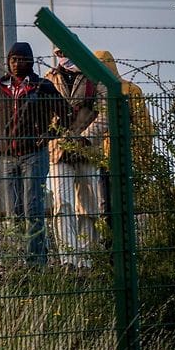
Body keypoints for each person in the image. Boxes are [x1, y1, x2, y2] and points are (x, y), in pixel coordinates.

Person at [0, 42, 70, 267]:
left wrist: (50, 134)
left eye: (22, 59)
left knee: (32, 208)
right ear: (8, 62)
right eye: (13, 60)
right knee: (14, 211)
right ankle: (19, 259)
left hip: (33, 154)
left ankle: (36, 262)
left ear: (30, 61)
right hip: (8, 156)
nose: (17, 64)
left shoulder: (41, 86)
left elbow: (67, 113)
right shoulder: (0, 87)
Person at [45, 47, 107, 270]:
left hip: (87, 149)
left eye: (65, 50)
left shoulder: (94, 76)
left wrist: (86, 138)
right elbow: (43, 112)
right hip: (59, 150)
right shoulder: (50, 78)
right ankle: (68, 259)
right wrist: (55, 135)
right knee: (63, 203)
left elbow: (106, 111)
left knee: (88, 205)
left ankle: (86, 258)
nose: (63, 55)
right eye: (59, 52)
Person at [92, 50, 155, 233]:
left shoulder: (129, 90)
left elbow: (143, 125)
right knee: (106, 206)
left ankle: (125, 241)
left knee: (125, 205)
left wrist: (142, 155)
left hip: (126, 156)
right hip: (103, 159)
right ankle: (111, 244)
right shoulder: (94, 92)